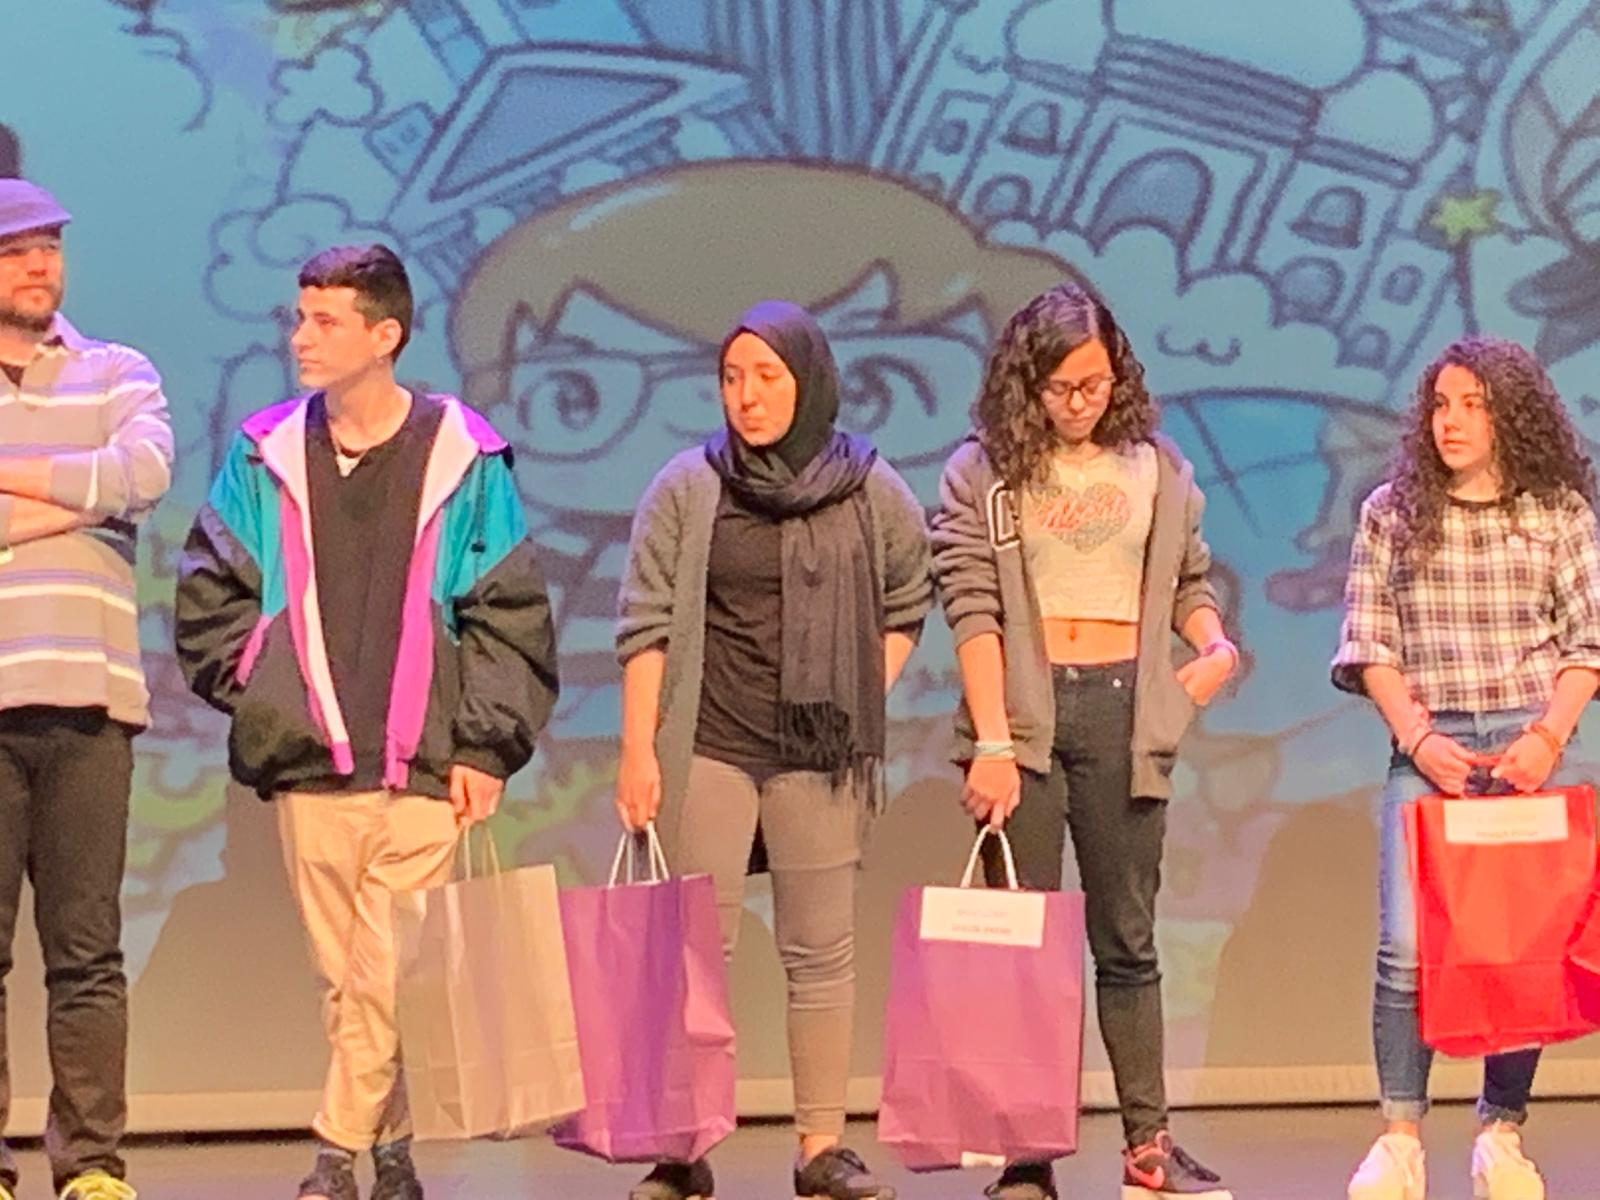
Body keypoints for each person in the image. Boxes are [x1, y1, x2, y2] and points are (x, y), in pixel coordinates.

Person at [174, 244, 559, 1200]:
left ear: (385, 336)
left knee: (383, 968)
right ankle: (391, 1155)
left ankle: (333, 1152)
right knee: (350, 981)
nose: (301, 338)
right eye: (300, 318)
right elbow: (210, 595)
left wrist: (486, 746)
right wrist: (267, 687)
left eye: (326, 321)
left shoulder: (462, 456)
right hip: (312, 761)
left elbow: (506, 609)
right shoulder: (263, 456)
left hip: (426, 763)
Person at [613, 300, 932, 1200]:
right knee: (694, 953)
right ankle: (683, 1148)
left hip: (818, 753)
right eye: (731, 377)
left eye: (766, 376)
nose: (746, 396)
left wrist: (863, 690)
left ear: (809, 381)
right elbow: (644, 623)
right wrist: (638, 749)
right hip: (712, 740)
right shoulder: (690, 485)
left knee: (820, 952)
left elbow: (911, 592)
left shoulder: (866, 485)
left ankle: (820, 1147)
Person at [930, 282, 1236, 1200]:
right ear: (1028, 384)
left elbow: (1185, 580)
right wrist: (993, 741)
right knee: (1024, 945)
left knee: (1127, 940)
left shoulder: (1157, 468)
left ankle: (1148, 1144)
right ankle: (1025, 1155)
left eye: (1094, 385)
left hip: (1122, 713)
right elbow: (972, 604)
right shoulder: (985, 470)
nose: (1078, 403)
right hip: (1023, 720)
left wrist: (1213, 643)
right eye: (1061, 387)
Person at [1333, 335, 1600, 1200]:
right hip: (1430, 749)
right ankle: (1400, 1139)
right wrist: (1418, 739)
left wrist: (1546, 739)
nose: (1451, 422)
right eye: (1442, 405)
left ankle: (1502, 1133)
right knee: (1407, 947)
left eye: (1473, 406)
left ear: (1511, 415)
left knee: (1516, 950)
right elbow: (1370, 644)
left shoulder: (1557, 512)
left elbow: (1588, 642)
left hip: (1528, 747)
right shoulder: (1391, 513)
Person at [0, 178, 174, 1200]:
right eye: (17, 250)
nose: (40, 265)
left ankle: (92, 1163)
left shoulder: (117, 369)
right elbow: (106, 486)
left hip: (91, 703)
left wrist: (17, 487)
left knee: (86, 952)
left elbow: (142, 476)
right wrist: (79, 496)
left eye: (50, 247)